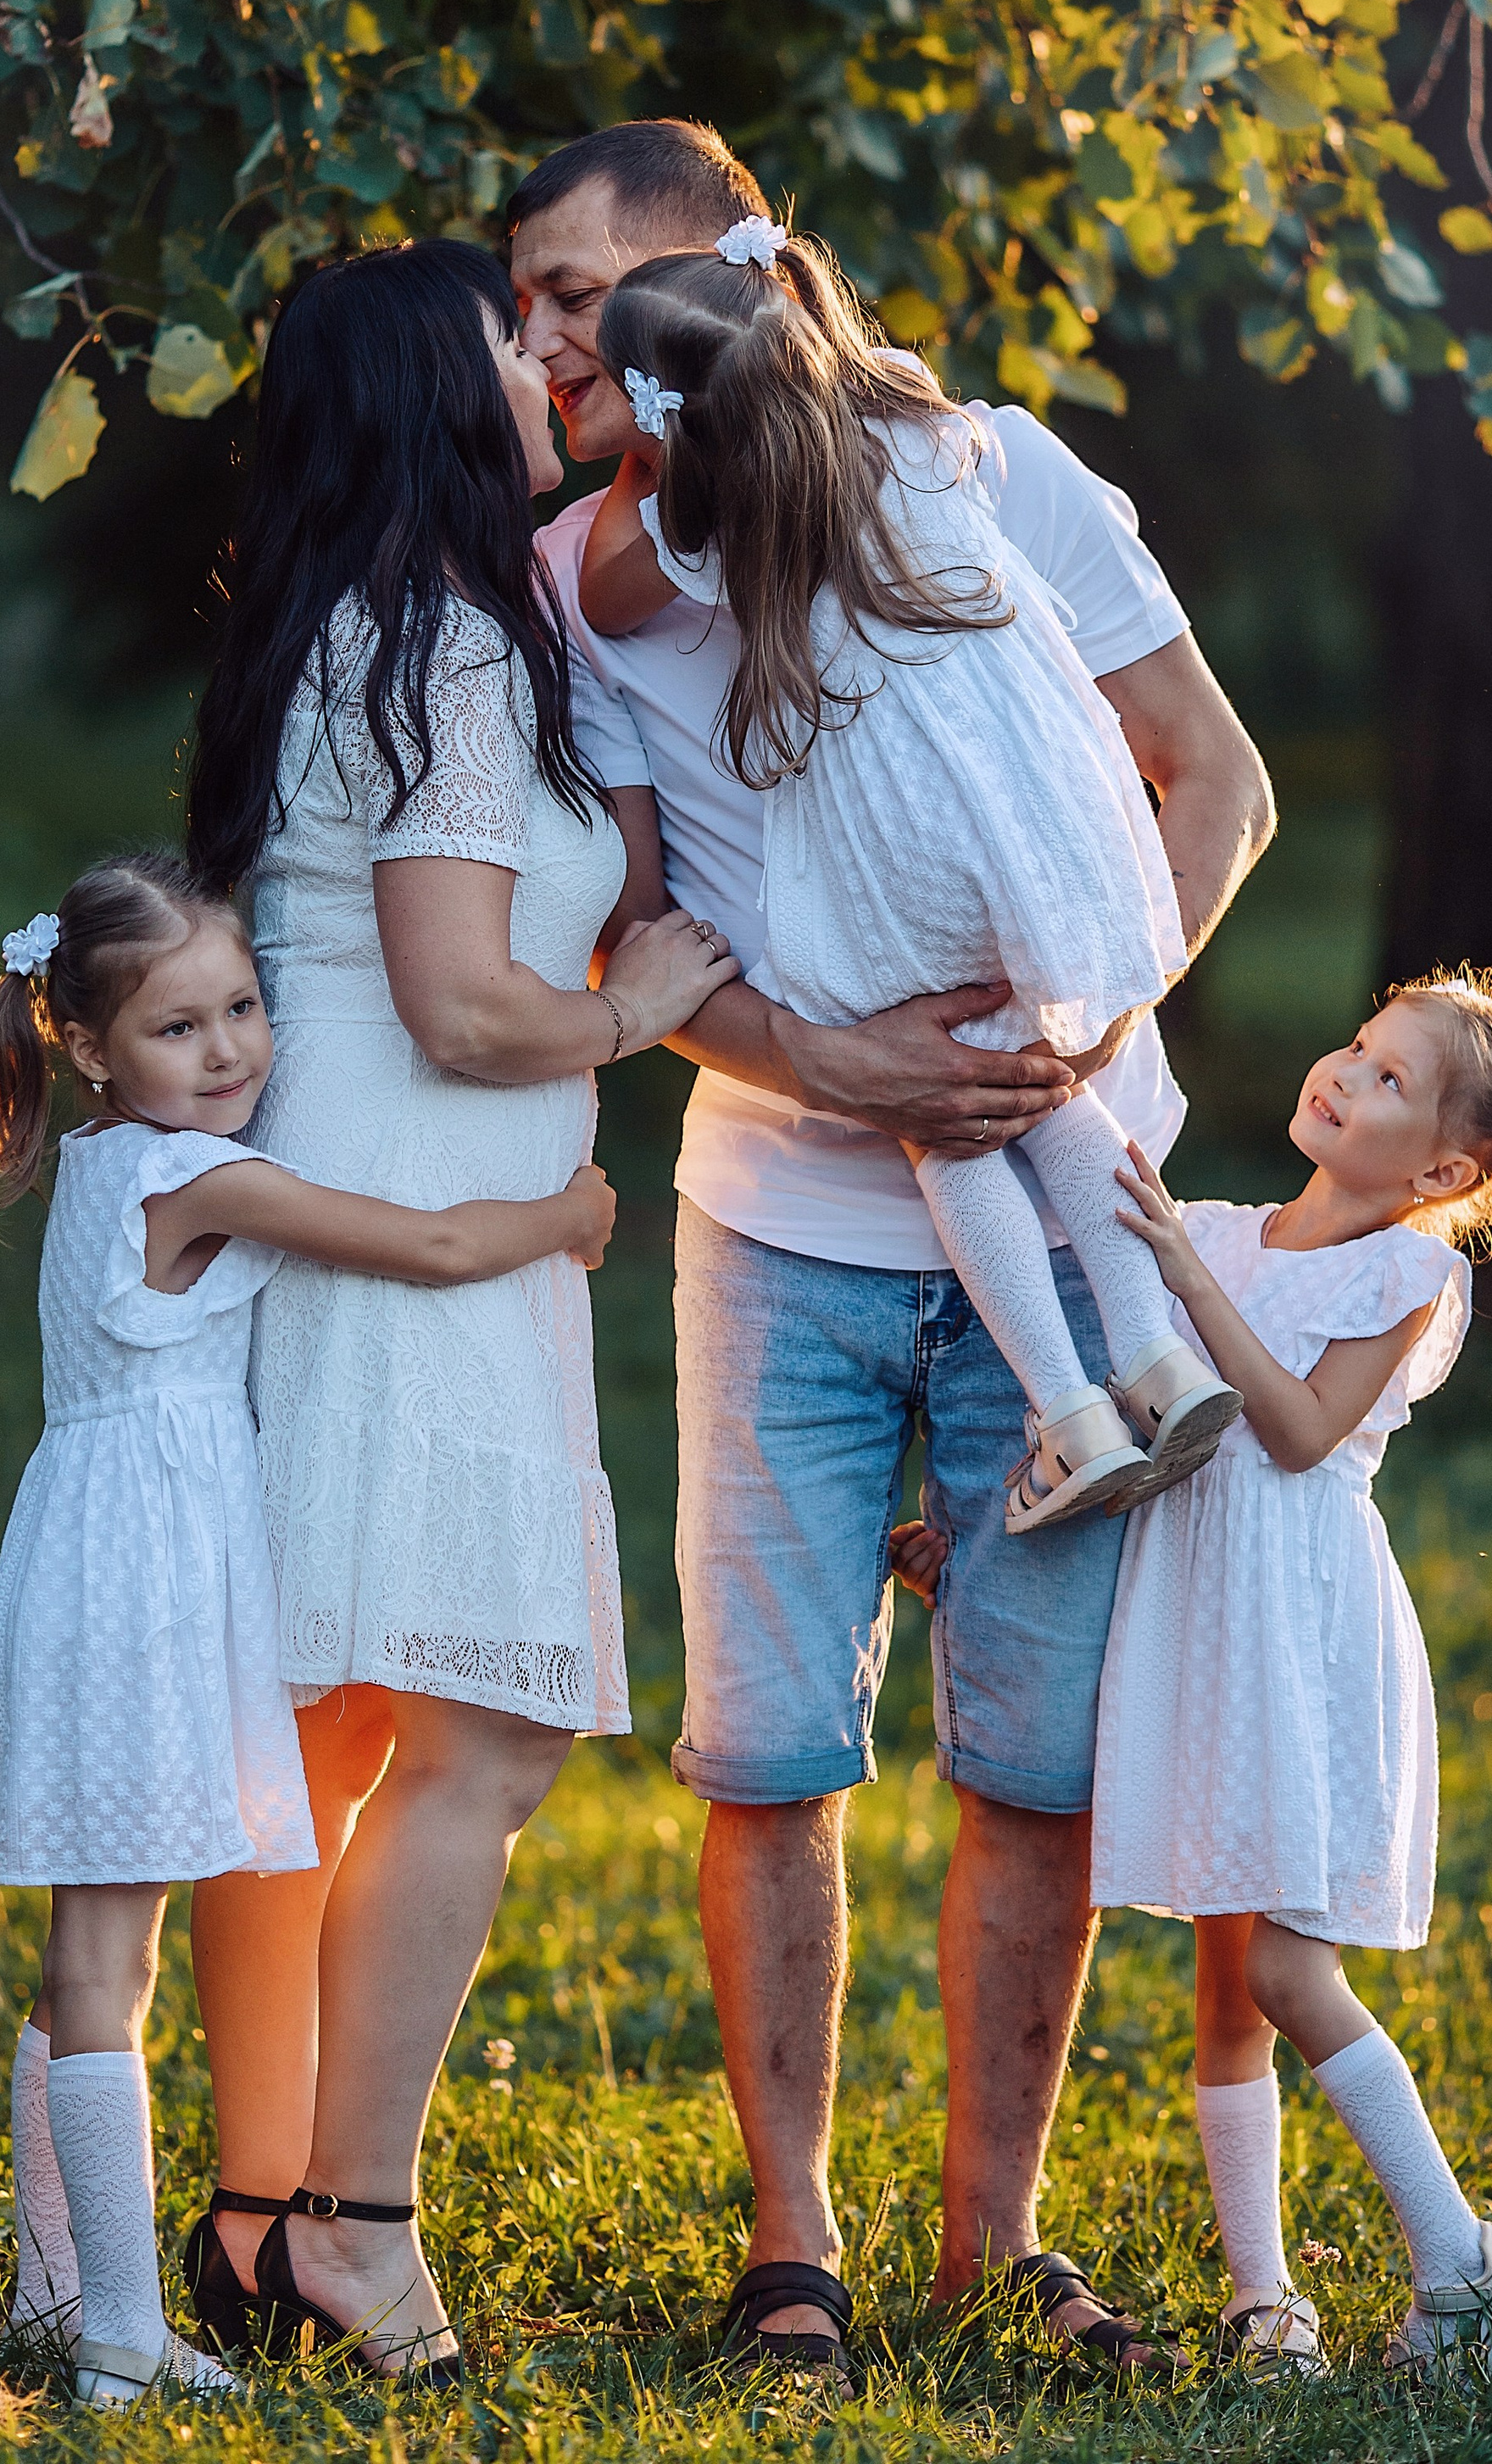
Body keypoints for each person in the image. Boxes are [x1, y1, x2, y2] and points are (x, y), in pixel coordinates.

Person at [515, 118, 1273, 2379]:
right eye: (532, 299)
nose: (542, 337)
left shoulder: (997, 470)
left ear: (709, 283)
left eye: (576, 291)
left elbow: (1208, 786)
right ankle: (794, 2251)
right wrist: (843, 1069)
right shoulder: (581, 590)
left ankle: (994, 2241)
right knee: (771, 1749)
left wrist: (1073, 1033)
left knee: (1032, 1758)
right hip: (784, 1232)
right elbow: (643, 925)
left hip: (1073, 1174)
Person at [178, 240, 738, 2380]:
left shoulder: (331, 623)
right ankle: (358, 2219)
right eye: (515, 339)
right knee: (480, 1729)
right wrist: (636, 1007)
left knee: (313, 1733)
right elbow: (460, 996)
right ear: (437, 391)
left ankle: (252, 2210)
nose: (548, 359)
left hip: (339, 1210)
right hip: (414, 1215)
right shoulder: (449, 649)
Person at [0, 852, 616, 2409]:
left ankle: (54, 2287)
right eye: (181, 1028)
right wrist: (565, 1213)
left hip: (98, 1558)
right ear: (94, 1052)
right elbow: (430, 1247)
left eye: (245, 1006)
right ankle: (121, 2334)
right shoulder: (196, 1177)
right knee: (107, 1957)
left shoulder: (113, 1167)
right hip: (143, 1586)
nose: (235, 1049)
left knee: (88, 1952)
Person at [582, 224, 1239, 1533]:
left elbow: (606, 600)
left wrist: (655, 477)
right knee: (1050, 1085)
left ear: (675, 427)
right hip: (1027, 823)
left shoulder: (715, 523)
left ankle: (1071, 1412)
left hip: (898, 864)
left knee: (949, 1124)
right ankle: (1159, 1359)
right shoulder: (932, 436)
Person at [1092, 973, 1492, 2379]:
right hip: (1199, 1615)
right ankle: (1270, 2304)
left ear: (1443, 1168)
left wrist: (1192, 1286)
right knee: (1220, 1978)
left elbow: (1303, 1431)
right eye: (1358, 1049)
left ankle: (1465, 2258)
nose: (1343, 1074)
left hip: (1300, 1633)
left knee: (1284, 1963)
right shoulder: (1208, 1230)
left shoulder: (1410, 1276)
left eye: (1387, 1081)